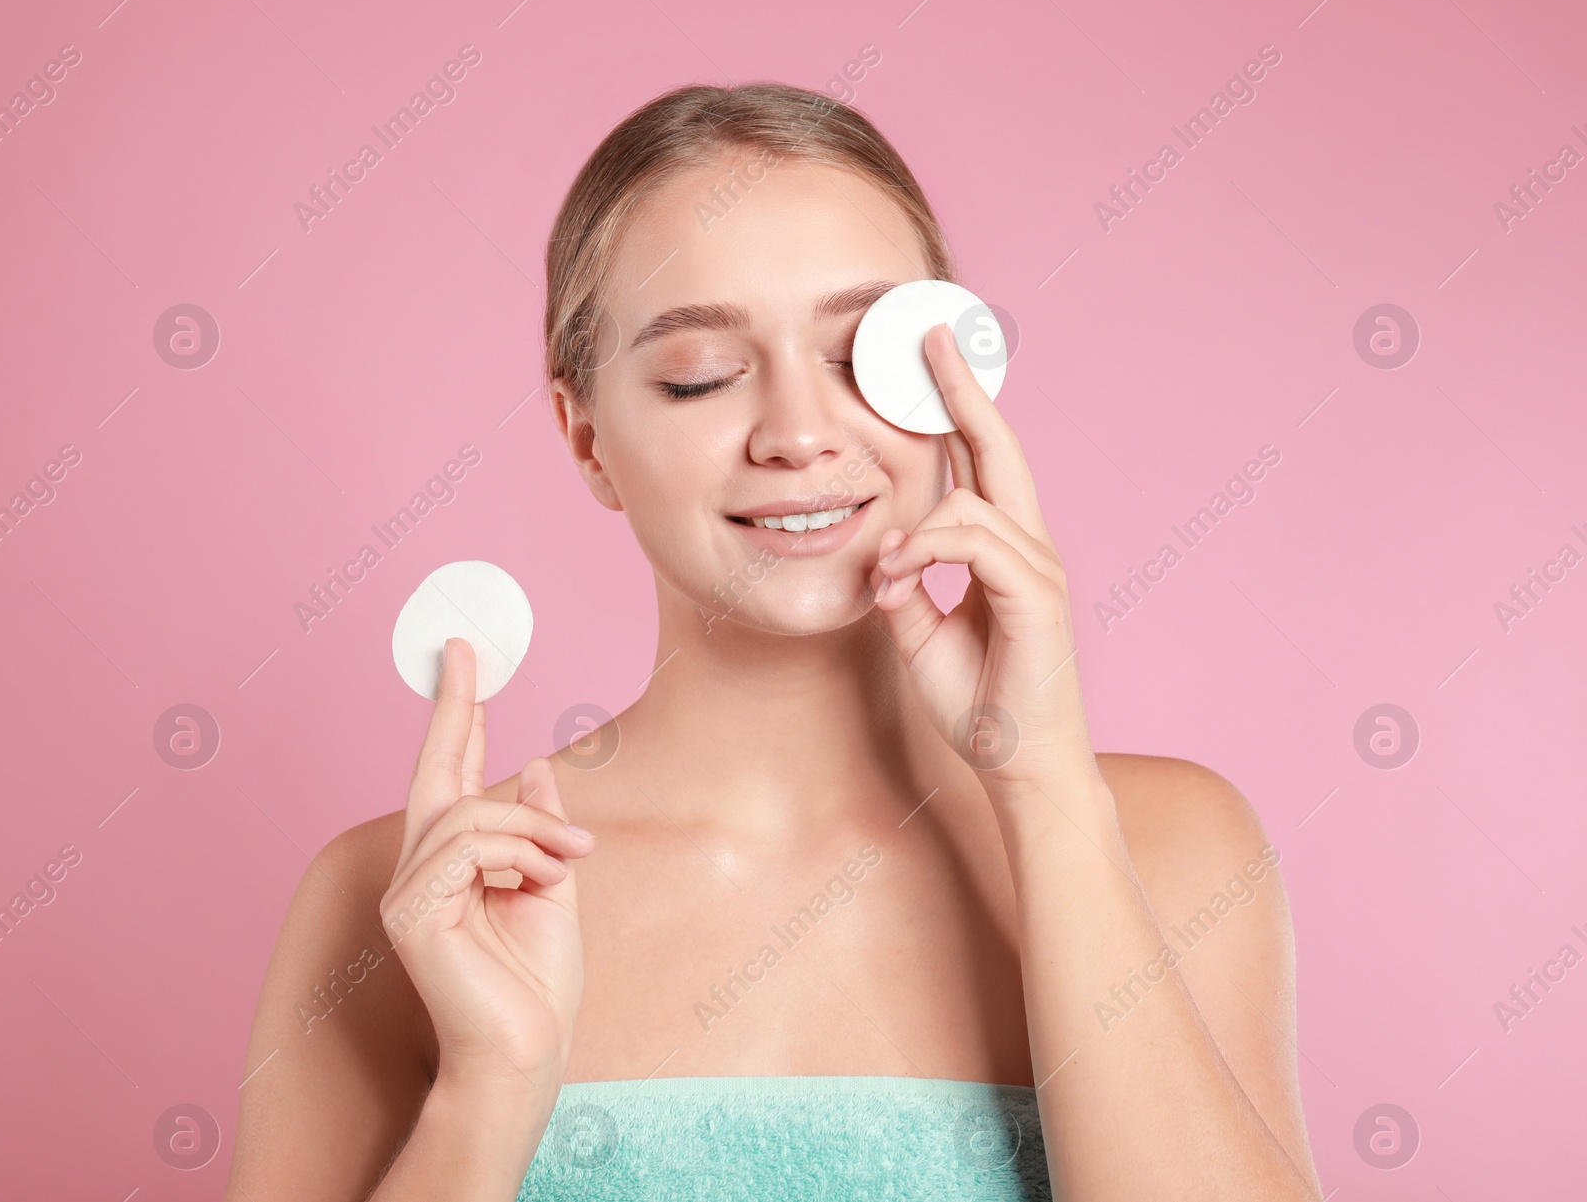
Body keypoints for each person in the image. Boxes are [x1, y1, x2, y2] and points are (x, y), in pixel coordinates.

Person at [223, 83, 1322, 1201]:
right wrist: (488, 1092)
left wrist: (1043, 793)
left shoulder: (1176, 849)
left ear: (956, 383)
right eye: (699, 374)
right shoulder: (413, 902)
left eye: (861, 355)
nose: (799, 434)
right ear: (587, 437)